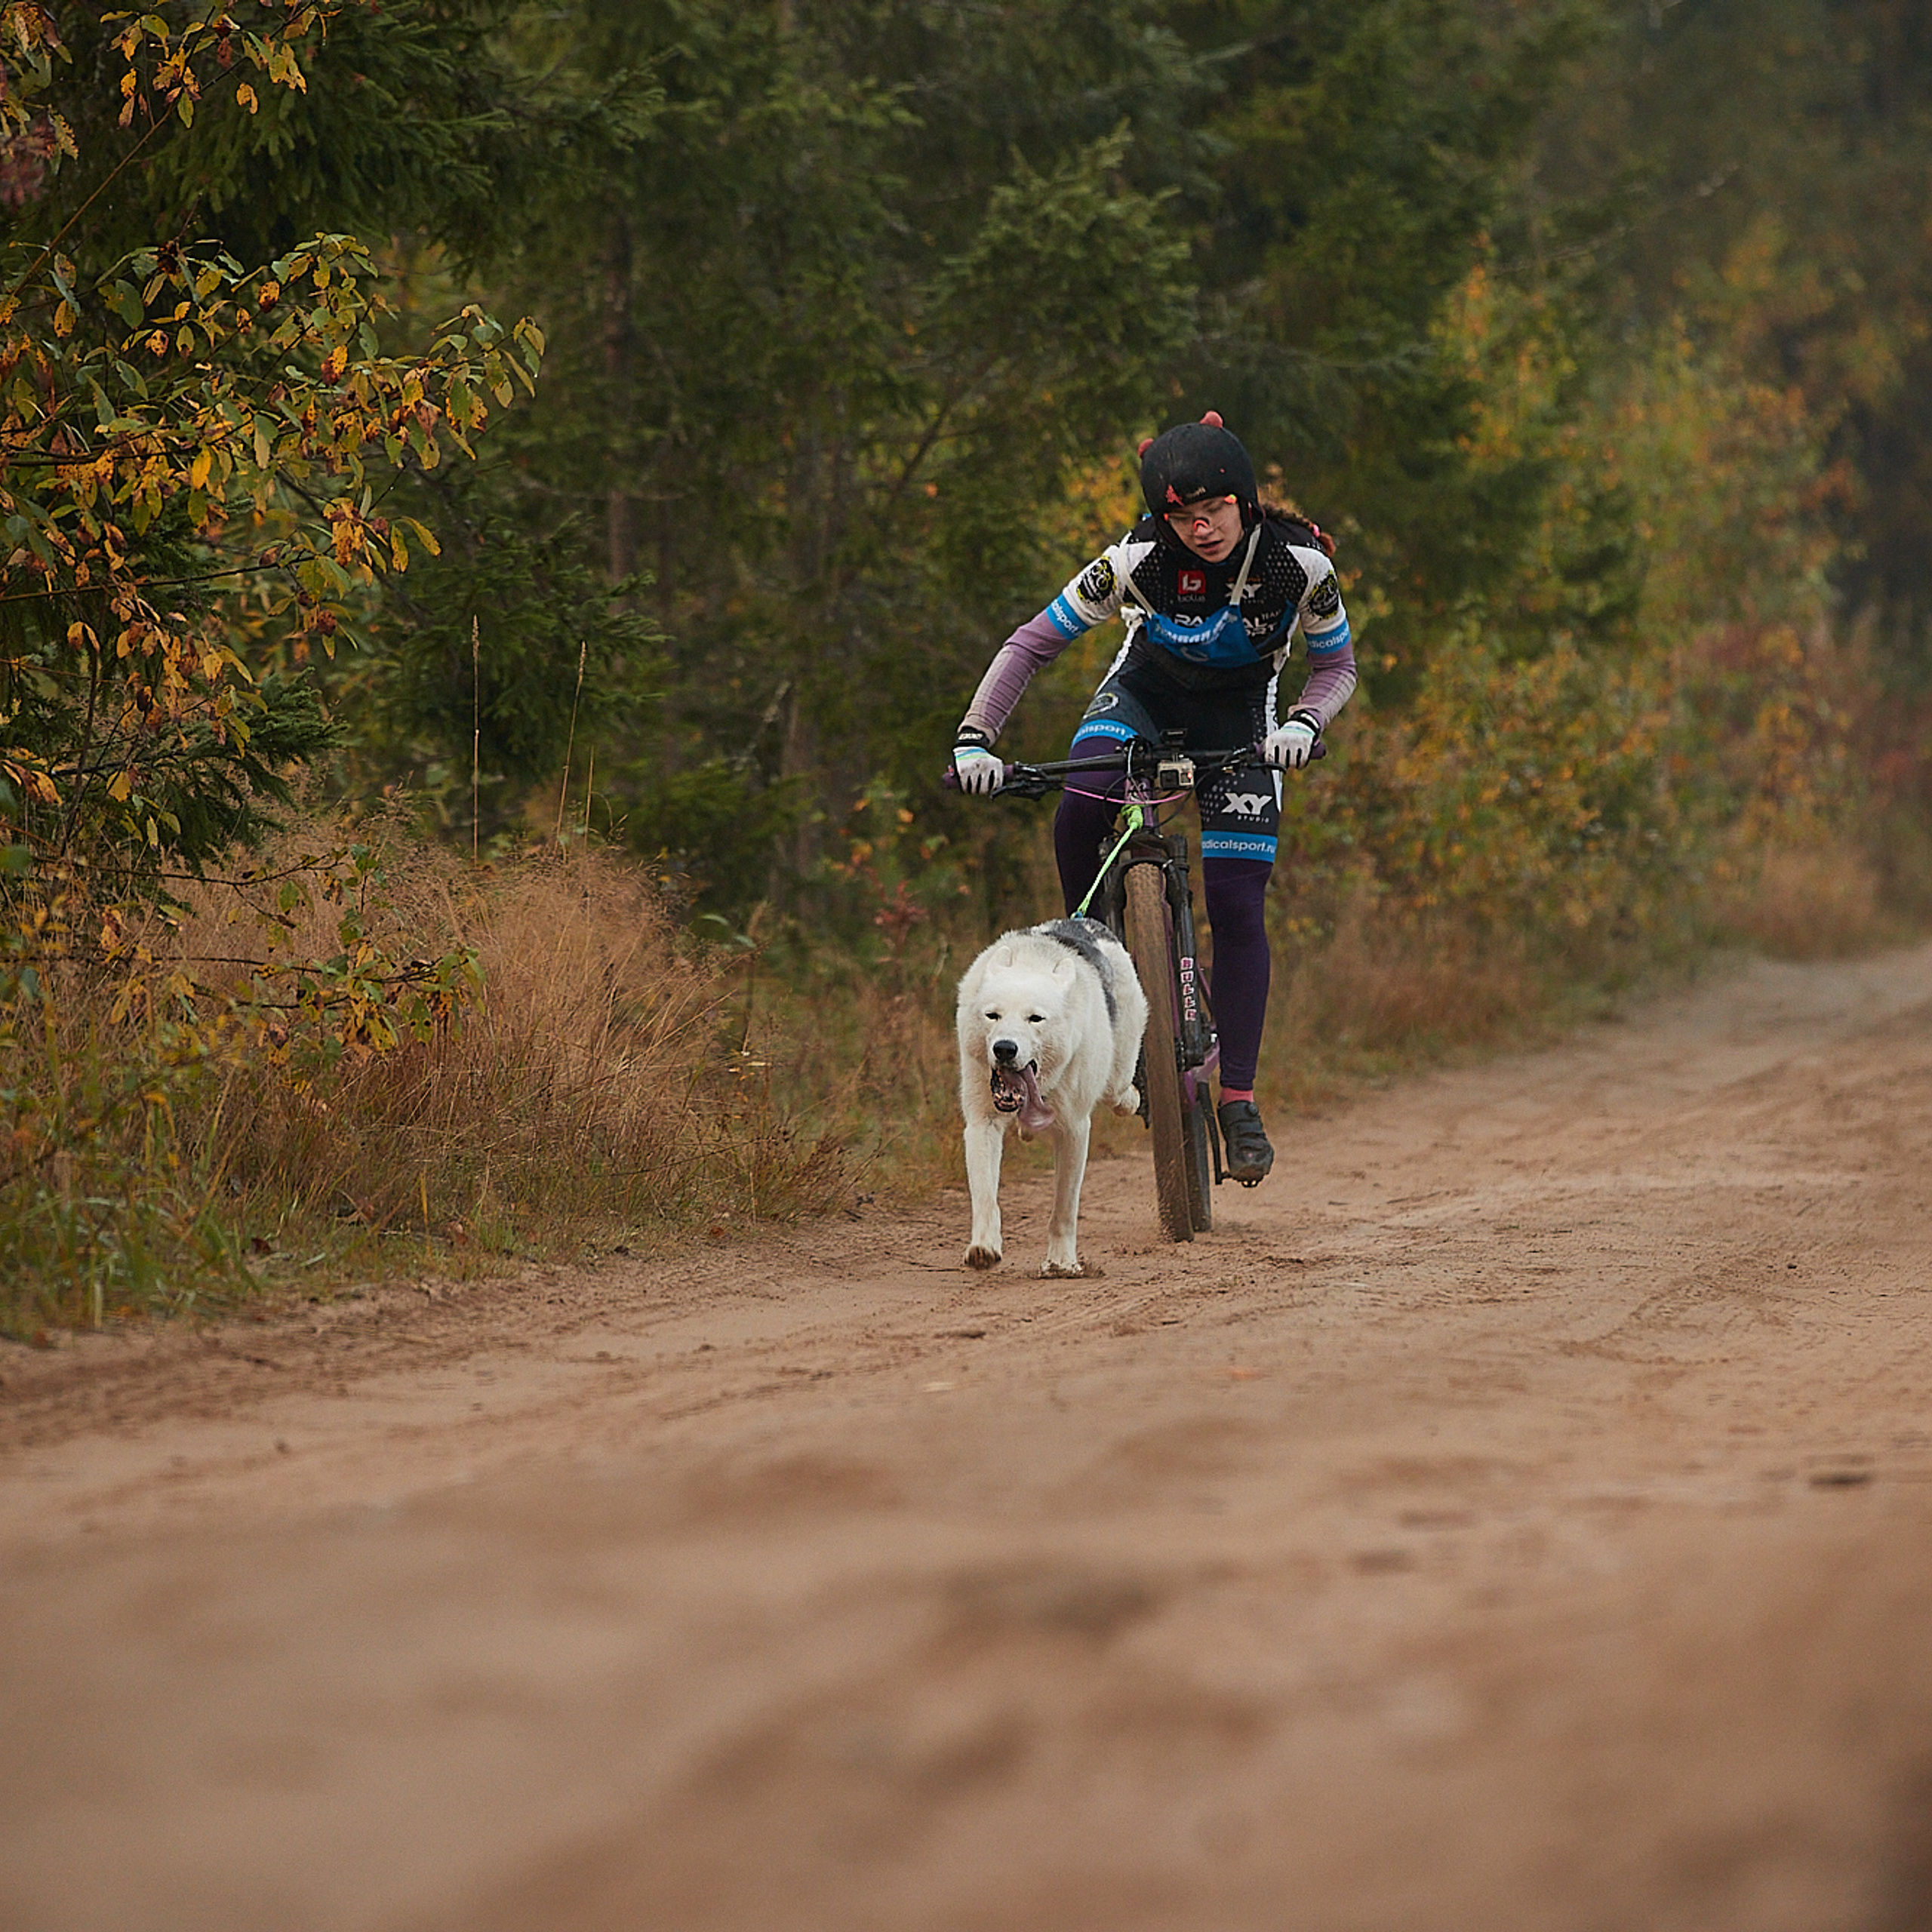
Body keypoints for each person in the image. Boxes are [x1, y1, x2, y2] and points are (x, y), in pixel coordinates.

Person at [950, 413, 1356, 1184]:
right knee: (1079, 797)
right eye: (1180, 516)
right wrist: (976, 737)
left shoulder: (1297, 566)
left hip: (1242, 722)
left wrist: (1304, 722)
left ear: (1244, 498)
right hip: (1140, 699)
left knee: (1238, 904)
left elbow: (1336, 667)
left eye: (1213, 510)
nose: (1199, 529)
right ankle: (1090, 946)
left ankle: (1235, 1096)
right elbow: (1032, 641)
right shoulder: (1135, 560)